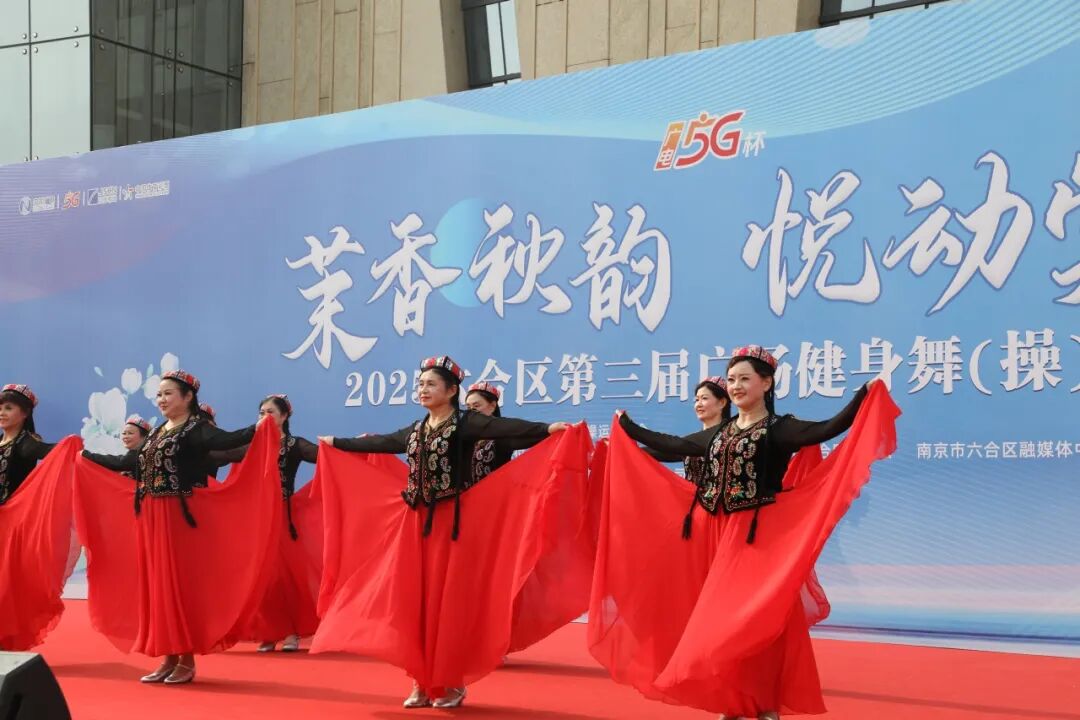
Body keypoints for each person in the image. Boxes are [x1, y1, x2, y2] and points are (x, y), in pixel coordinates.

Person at [589, 345, 900, 719]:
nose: (736, 386)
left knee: (753, 618)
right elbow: (676, 445)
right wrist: (629, 428)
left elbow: (828, 427)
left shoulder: (780, 429)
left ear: (766, 383)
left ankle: (764, 702)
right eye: (732, 379)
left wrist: (863, 395)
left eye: (744, 379)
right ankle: (732, 700)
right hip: (713, 533)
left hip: (756, 535)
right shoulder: (720, 433)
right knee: (713, 616)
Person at [313, 355, 587, 709]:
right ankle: (420, 679)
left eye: (431, 384)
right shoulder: (416, 430)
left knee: (448, 603)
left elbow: (507, 429)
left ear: (452, 390)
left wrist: (548, 429)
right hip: (415, 525)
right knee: (414, 602)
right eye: (420, 384)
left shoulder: (465, 424)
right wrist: (337, 442)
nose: (423, 390)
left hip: (452, 525)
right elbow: (382, 443)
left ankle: (450, 681)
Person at [77, 370, 280, 685]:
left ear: (188, 397)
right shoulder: (158, 432)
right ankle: (168, 656)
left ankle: (186, 659)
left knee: (179, 586)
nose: (161, 399)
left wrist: (260, 426)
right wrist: (85, 456)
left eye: (168, 393)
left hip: (180, 519)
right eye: (159, 394)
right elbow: (128, 463)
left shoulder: (196, 429)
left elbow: (228, 440)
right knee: (158, 587)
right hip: (152, 517)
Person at [216, 394, 320, 654]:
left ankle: (291, 631)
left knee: (284, 576)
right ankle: (269, 631)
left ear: (284, 416)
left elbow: (324, 455)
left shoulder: (294, 445)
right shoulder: (253, 446)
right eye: (261, 412)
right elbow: (223, 454)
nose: (264, 417)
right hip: (259, 518)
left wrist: (355, 446)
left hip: (283, 517)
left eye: (270, 412)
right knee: (263, 575)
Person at [0, 383, 77, 651]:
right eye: (0, 407)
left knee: (7, 584)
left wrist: (70, 445)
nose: (2, 412)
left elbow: (53, 453)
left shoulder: (26, 444)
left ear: (24, 413)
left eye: (8, 407)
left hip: (11, 526)